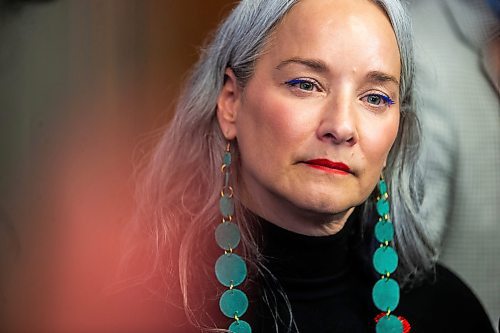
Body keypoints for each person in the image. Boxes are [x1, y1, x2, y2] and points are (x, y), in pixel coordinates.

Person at [126, 0, 495, 332]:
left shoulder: (450, 313)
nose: (341, 127)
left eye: (375, 98)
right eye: (306, 84)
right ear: (230, 102)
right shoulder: (140, 315)